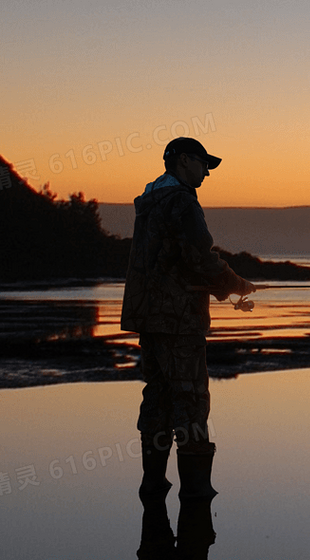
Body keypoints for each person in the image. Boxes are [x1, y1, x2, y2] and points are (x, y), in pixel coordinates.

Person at [121, 137, 255, 499]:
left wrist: (224, 286)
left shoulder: (150, 201)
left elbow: (173, 260)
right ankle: (197, 493)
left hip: (150, 317)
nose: (207, 172)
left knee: (158, 396)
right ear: (183, 161)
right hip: (179, 320)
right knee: (192, 399)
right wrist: (236, 283)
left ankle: (153, 484)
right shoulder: (181, 202)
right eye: (203, 164)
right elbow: (199, 258)